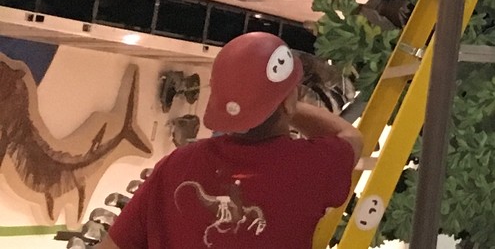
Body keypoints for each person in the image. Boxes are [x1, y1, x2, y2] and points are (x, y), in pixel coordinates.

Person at [103, 33, 360, 249]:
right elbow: (351, 138)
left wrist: (251, 103)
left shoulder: (175, 165)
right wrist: (277, 103)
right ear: (288, 100)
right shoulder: (312, 165)